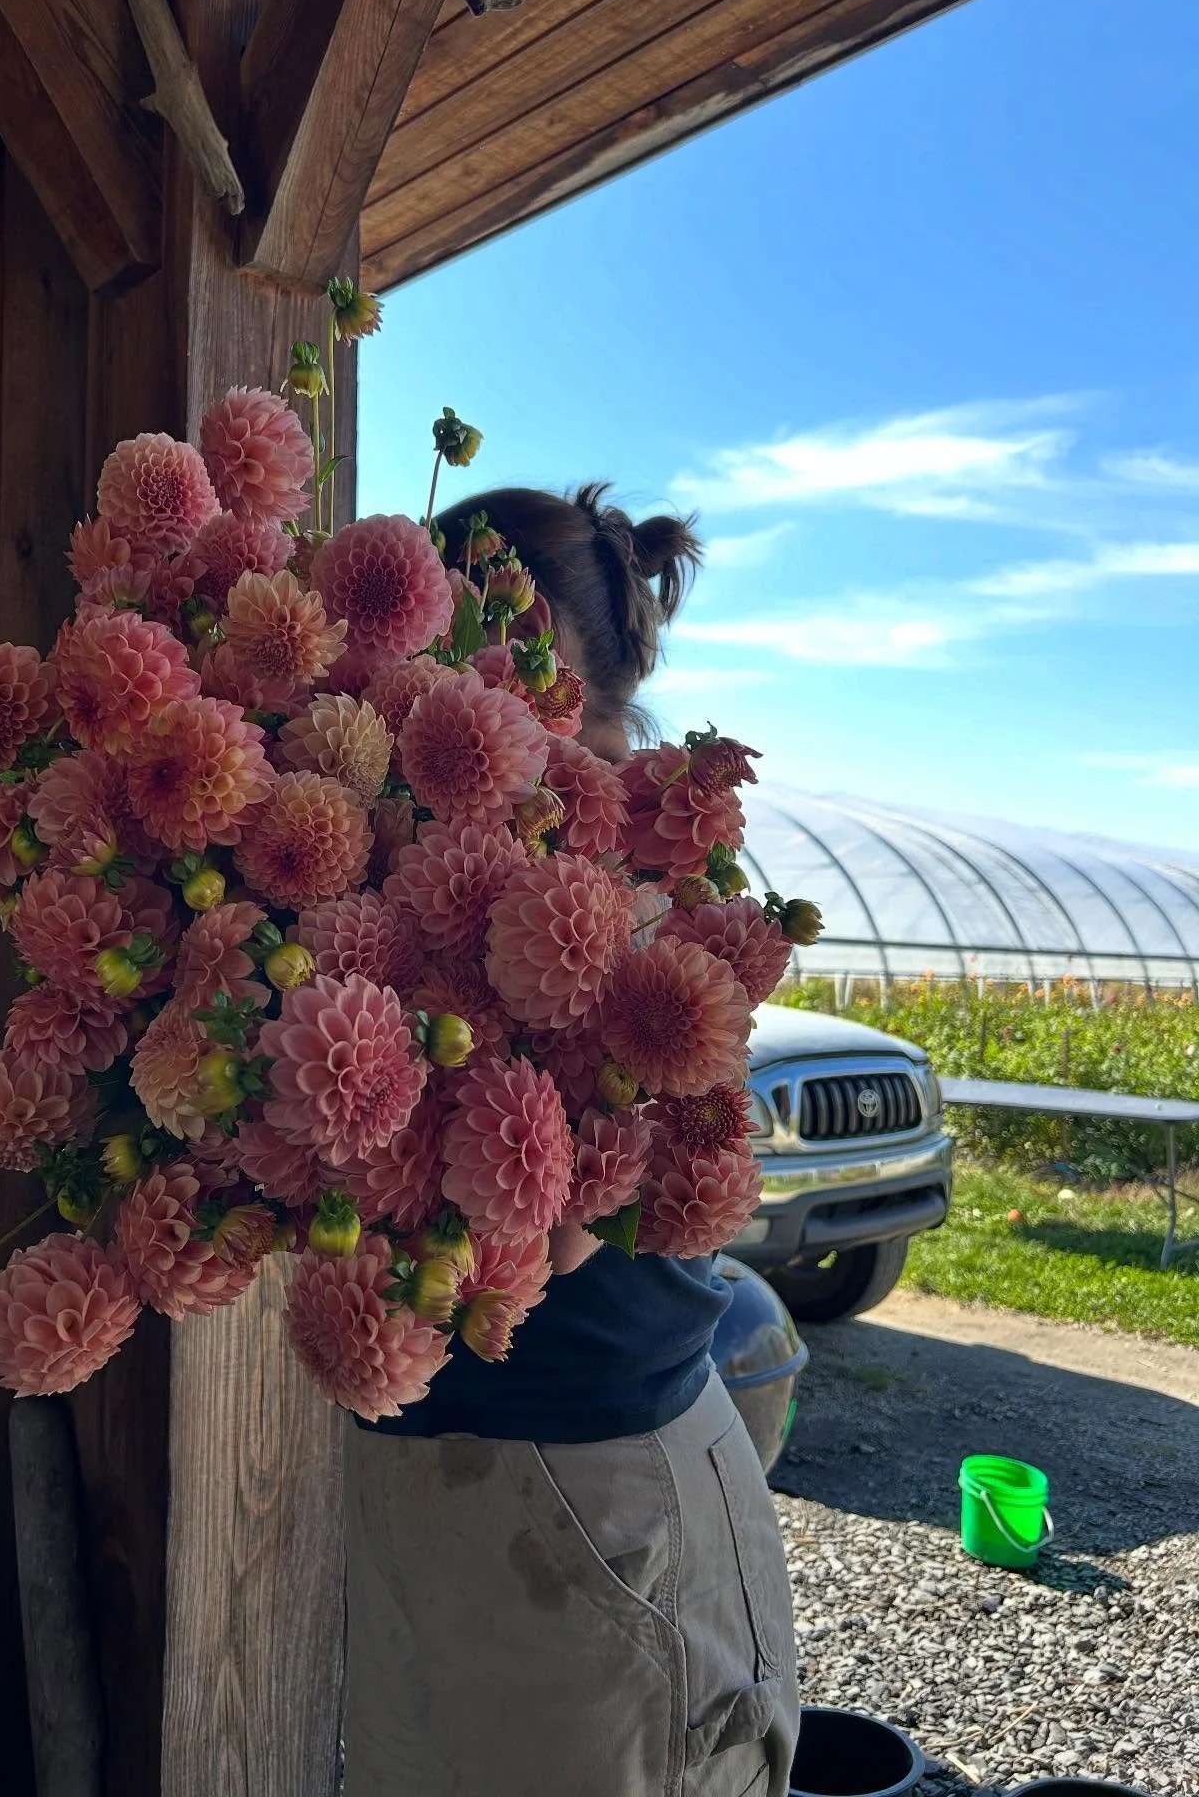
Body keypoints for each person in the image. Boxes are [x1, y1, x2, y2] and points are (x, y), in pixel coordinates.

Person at [341, 486, 800, 1797]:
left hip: (590, 1499)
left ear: (517, 638)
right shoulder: (430, 836)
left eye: (432, 641)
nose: (404, 682)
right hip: (494, 1481)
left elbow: (547, 1231)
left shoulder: (636, 867)